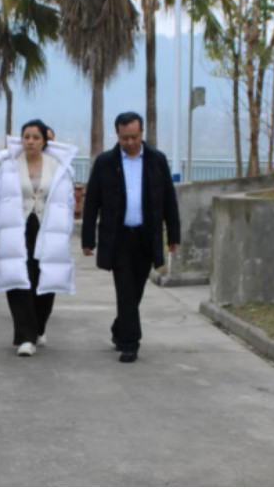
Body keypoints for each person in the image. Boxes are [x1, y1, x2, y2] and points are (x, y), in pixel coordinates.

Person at [81, 111, 180, 363]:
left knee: (136, 290)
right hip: (119, 237)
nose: (130, 142)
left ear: (141, 133)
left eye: (134, 137)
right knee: (124, 289)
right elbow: (92, 202)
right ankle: (130, 343)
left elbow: (169, 199)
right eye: (125, 138)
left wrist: (174, 235)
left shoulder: (157, 160)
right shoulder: (105, 162)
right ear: (117, 135)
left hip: (146, 236)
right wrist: (88, 239)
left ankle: (119, 328)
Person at [0, 119, 78, 356]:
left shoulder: (57, 166)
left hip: (47, 227)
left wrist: (66, 228)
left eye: (36, 137)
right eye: (26, 137)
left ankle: (39, 327)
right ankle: (25, 337)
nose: (30, 141)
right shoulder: (9, 165)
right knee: (19, 280)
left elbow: (67, 201)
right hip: (18, 228)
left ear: (44, 141)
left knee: (46, 279)